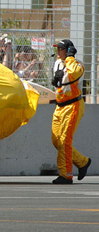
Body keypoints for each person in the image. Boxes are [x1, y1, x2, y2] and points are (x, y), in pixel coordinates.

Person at [50, 39, 91, 184]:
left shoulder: (77, 65)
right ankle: (83, 162)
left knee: (64, 141)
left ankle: (66, 174)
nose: (58, 52)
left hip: (73, 106)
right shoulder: (57, 63)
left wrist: (70, 57)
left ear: (68, 51)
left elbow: (73, 73)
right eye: (57, 49)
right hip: (59, 106)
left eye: (61, 49)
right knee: (56, 141)